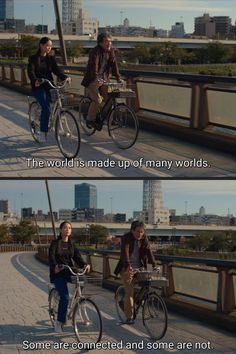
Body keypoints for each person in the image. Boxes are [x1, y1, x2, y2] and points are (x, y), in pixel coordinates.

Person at [114, 221, 159, 324]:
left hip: (139, 268)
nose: (140, 234)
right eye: (138, 231)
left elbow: (149, 251)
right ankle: (129, 317)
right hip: (126, 268)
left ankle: (134, 302)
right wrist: (128, 266)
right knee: (129, 292)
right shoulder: (126, 237)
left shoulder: (144, 238)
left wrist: (154, 265)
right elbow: (125, 253)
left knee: (147, 284)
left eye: (142, 232)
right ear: (132, 230)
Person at [49, 221, 90, 333]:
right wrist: (55, 266)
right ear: (61, 230)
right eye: (65, 228)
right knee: (65, 297)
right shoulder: (55, 243)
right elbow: (51, 257)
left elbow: (78, 258)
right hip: (58, 273)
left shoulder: (72, 244)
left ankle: (77, 302)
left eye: (69, 228)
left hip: (70, 271)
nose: (67, 230)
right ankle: (59, 322)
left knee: (83, 280)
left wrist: (85, 264)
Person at [27, 37, 71, 142]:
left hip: (50, 85)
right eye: (47, 45)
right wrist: (35, 80)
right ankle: (43, 132)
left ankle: (61, 127)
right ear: (41, 45)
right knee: (46, 108)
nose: (49, 47)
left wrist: (65, 77)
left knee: (61, 103)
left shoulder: (50, 58)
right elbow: (30, 71)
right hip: (39, 87)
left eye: (50, 45)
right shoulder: (33, 58)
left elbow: (57, 70)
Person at [81, 32, 122, 128]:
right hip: (92, 79)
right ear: (100, 43)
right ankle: (90, 119)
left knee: (110, 98)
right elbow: (93, 66)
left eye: (110, 41)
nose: (109, 44)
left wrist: (118, 78)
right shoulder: (95, 52)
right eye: (106, 42)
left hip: (104, 79)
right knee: (97, 100)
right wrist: (96, 79)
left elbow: (114, 65)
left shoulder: (110, 51)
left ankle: (103, 117)